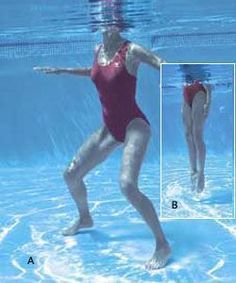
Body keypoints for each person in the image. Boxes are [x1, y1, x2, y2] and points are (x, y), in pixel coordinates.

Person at [33, 25, 170, 270]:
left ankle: (162, 244)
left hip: (134, 125)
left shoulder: (131, 50)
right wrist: (63, 70)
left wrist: (186, 78)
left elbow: (161, 63)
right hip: (109, 129)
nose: (108, 25)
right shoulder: (98, 50)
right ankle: (85, 217)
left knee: (127, 185)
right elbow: (98, 73)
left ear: (120, 23)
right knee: (71, 175)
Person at [181, 74, 211, 193]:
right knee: (188, 135)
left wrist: (208, 101)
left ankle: (201, 173)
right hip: (186, 92)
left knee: (197, 134)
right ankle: (193, 172)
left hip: (199, 92)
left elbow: (208, 82)